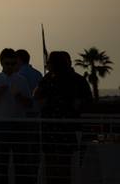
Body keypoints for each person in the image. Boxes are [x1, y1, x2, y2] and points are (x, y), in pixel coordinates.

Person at [34, 51, 92, 184]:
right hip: (67, 129)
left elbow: (36, 95)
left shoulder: (50, 80)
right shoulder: (77, 79)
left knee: (54, 167)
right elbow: (89, 101)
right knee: (63, 167)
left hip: (55, 129)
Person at [0, 48, 36, 184]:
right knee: (1, 164)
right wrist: (0, 92)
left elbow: (30, 104)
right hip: (1, 125)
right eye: (7, 64)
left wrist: (18, 96)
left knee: (22, 165)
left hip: (20, 125)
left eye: (13, 64)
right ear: (1, 63)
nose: (10, 67)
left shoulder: (21, 80)